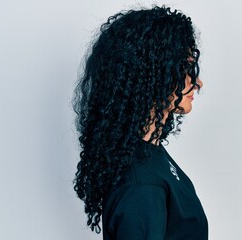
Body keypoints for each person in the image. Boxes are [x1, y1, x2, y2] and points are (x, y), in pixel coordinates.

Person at [73, 5, 208, 239]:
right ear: (150, 74)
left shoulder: (150, 155)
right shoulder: (141, 187)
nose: (197, 82)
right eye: (184, 69)